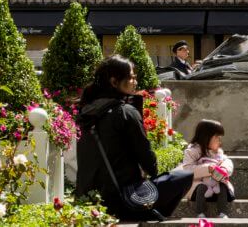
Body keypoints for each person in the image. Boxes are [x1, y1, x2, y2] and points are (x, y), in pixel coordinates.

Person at [75, 55, 194, 221]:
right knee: (183, 176)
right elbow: (150, 163)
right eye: (131, 77)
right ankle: (145, 213)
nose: (135, 82)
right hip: (123, 199)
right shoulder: (125, 112)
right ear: (114, 81)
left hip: (87, 199)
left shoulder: (86, 112)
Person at [180, 119, 235, 218]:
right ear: (206, 137)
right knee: (201, 187)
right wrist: (207, 169)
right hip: (199, 190)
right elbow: (187, 170)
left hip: (216, 190)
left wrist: (224, 168)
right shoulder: (192, 151)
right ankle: (200, 212)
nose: (219, 141)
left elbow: (228, 161)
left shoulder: (218, 153)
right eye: (217, 138)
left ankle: (222, 212)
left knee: (223, 186)